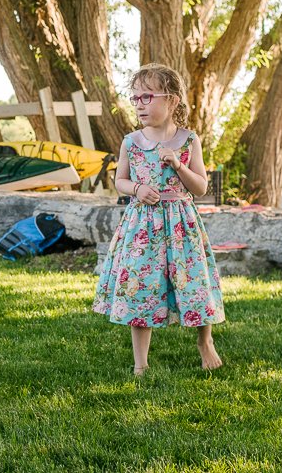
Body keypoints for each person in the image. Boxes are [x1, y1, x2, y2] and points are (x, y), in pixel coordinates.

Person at [92, 62, 225, 375]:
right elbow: (120, 180)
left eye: (147, 97)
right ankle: (141, 363)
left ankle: (205, 341)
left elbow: (202, 187)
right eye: (135, 98)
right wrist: (137, 189)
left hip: (182, 225)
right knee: (141, 286)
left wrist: (179, 165)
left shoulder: (189, 141)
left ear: (172, 101)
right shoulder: (131, 142)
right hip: (143, 228)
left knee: (194, 283)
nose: (139, 104)